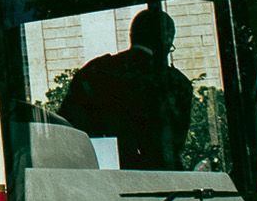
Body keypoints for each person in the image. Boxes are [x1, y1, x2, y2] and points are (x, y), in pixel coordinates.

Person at [56, 9, 194, 170]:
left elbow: (68, 130)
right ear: (167, 40)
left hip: (105, 177)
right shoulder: (177, 83)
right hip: (163, 180)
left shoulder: (95, 71)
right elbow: (174, 143)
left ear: (132, 36)